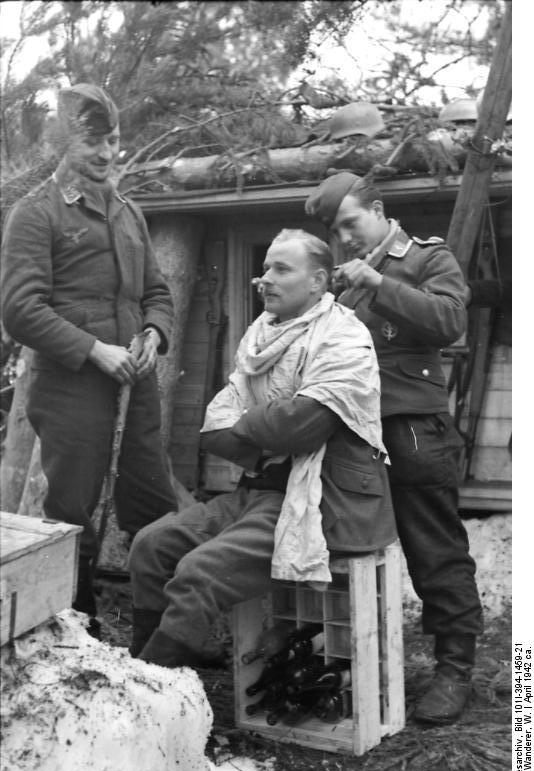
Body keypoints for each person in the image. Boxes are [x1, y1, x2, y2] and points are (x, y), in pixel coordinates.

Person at [127, 228, 397, 668]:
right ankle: (144, 664)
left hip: (323, 500)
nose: (264, 278)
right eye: (266, 267)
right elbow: (214, 429)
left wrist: (249, 421)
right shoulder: (260, 336)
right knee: (151, 545)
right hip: (260, 492)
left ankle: (150, 681)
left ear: (318, 281)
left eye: (281, 269)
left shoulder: (344, 336)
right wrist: (268, 423)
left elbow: (303, 426)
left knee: (199, 572)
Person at [305, 172, 483, 724]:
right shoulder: (345, 280)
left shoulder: (427, 258)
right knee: (353, 548)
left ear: (379, 210)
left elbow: (450, 320)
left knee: (435, 551)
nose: (346, 239)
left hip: (412, 431)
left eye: (351, 224)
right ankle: (358, 659)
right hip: (353, 435)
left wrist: (379, 283)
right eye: (337, 232)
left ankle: (455, 670)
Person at [1, 84, 177, 625]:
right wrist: (94, 350)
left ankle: (155, 635)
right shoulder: (36, 214)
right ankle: (75, 628)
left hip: (135, 388)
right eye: (92, 142)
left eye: (113, 140)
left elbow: (157, 293)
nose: (106, 153)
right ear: (62, 142)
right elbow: (20, 310)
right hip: (72, 392)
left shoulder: (129, 213)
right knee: (73, 514)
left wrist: (154, 333)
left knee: (152, 504)